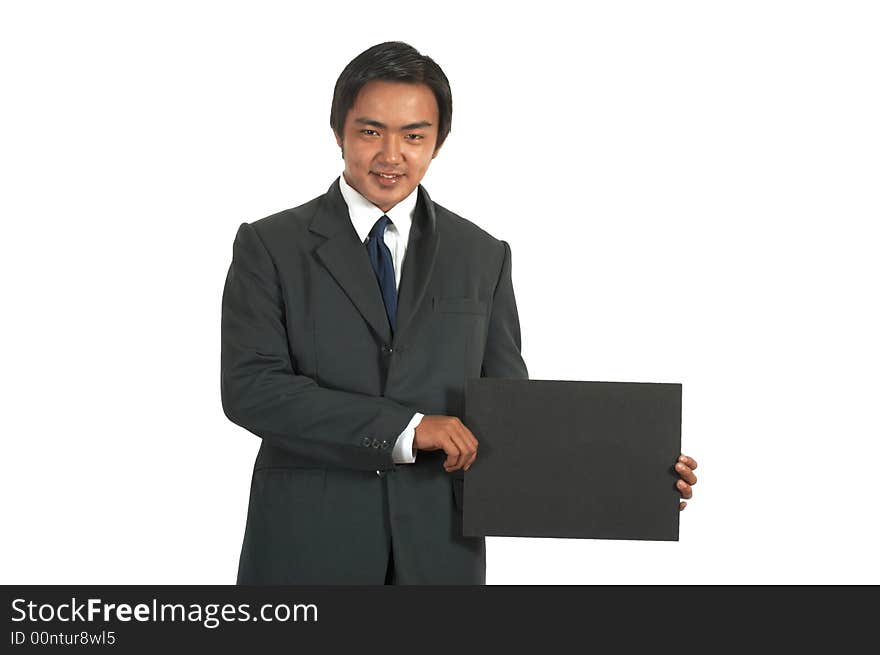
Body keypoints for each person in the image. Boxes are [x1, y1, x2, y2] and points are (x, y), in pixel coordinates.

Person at [220, 41, 698, 585]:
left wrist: (635, 479)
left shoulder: (482, 255)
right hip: (306, 550)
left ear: (438, 144)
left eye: (414, 136)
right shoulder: (269, 245)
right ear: (338, 132)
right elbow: (253, 390)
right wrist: (409, 427)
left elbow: (511, 415)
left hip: (439, 555)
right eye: (371, 131)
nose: (391, 154)